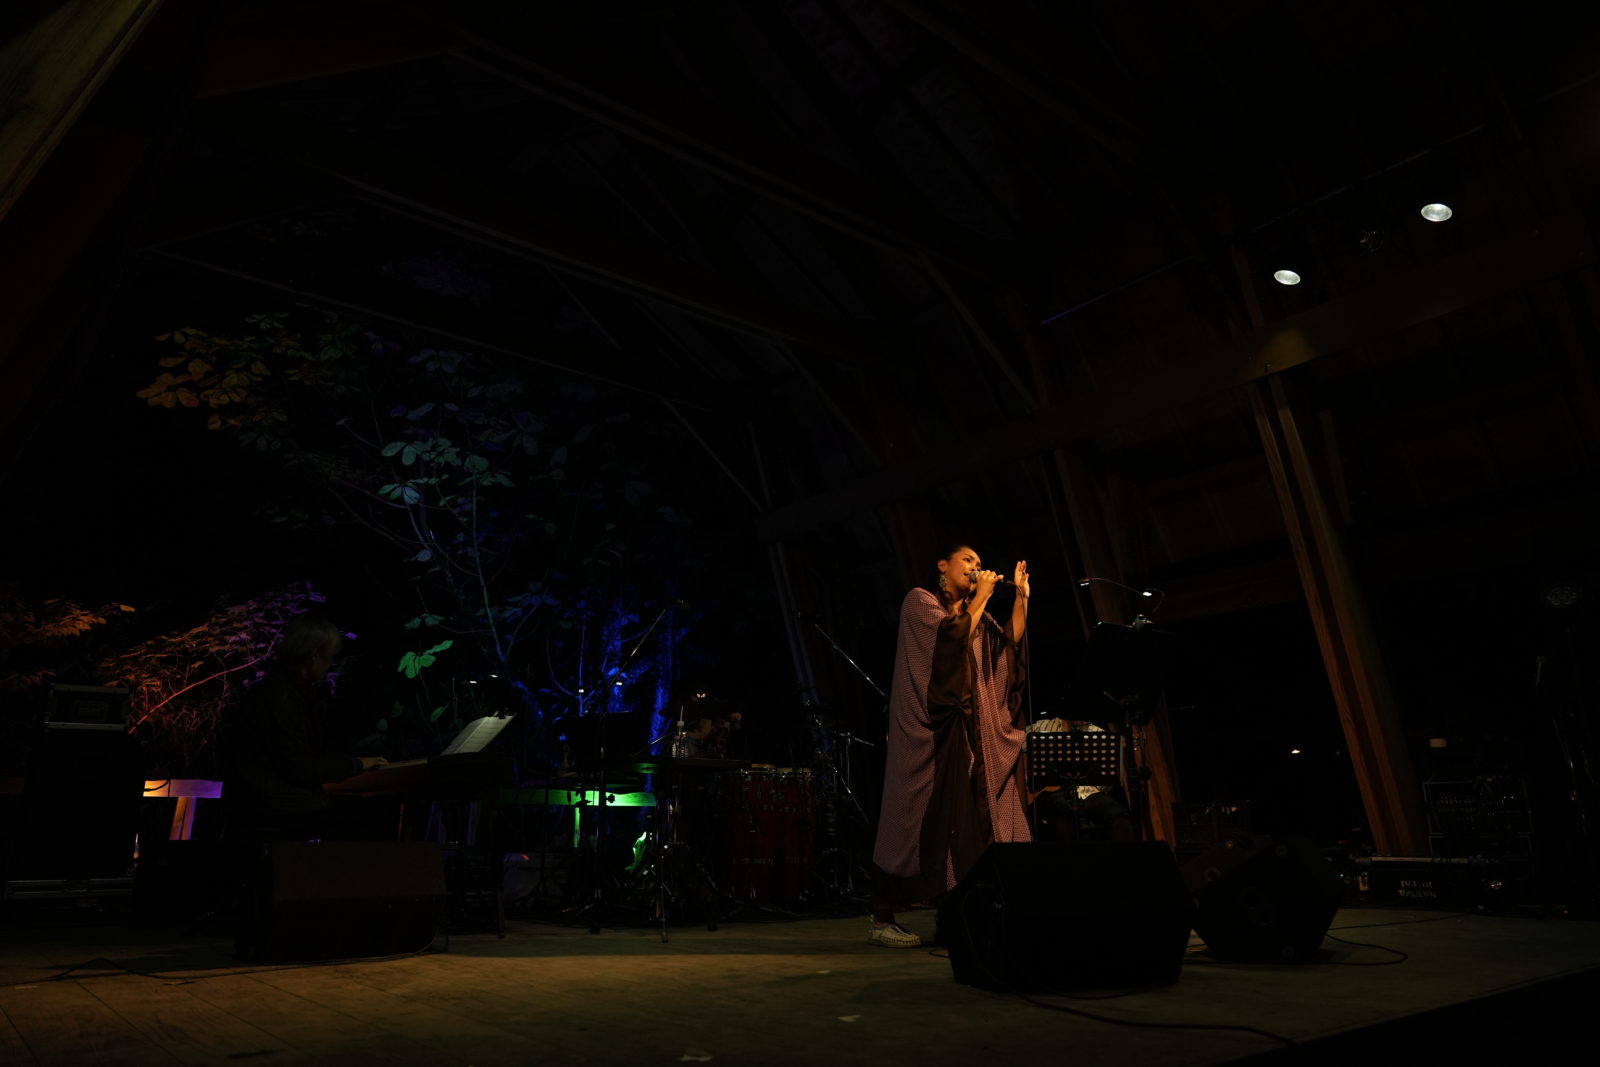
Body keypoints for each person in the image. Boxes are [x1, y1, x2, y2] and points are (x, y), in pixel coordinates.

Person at [868, 545, 1030, 947]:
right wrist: (982, 597)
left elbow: (1006, 647)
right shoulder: (920, 602)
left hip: (968, 731)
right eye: (968, 561)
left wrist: (1021, 599)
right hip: (930, 732)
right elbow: (950, 639)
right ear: (943, 565)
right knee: (913, 814)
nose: (976, 568)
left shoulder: (978, 613)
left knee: (964, 820)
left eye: (979, 563)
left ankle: (957, 917)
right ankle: (882, 916)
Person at [221, 613, 386, 843]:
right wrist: (357, 764)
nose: (330, 665)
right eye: (329, 658)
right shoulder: (279, 698)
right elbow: (299, 767)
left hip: (274, 804)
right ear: (314, 655)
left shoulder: (289, 691)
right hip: (274, 809)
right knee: (369, 821)